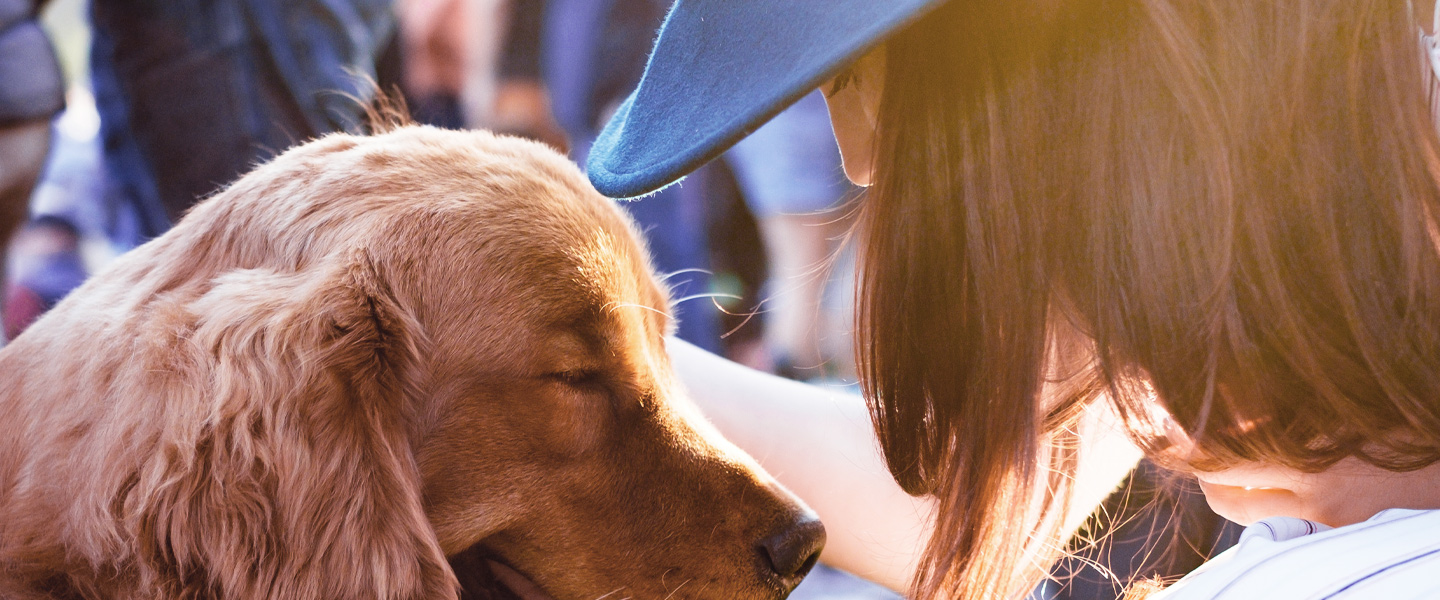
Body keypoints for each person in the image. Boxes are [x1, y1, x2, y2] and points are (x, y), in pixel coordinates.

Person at [584, 1, 1440, 599]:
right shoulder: (1197, 217)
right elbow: (969, 509)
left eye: (845, 76)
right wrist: (587, 367)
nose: (857, 159)